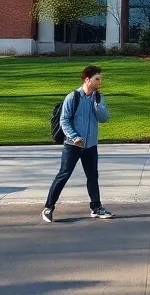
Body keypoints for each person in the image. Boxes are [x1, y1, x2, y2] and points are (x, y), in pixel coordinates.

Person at [43, 65, 113, 223]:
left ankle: (96, 207)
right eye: (97, 79)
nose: (100, 82)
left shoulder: (98, 98)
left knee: (92, 176)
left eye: (100, 79)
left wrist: (98, 106)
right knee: (64, 175)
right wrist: (75, 137)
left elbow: (104, 118)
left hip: (90, 145)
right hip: (73, 145)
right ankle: (48, 207)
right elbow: (64, 120)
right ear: (87, 80)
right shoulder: (72, 97)